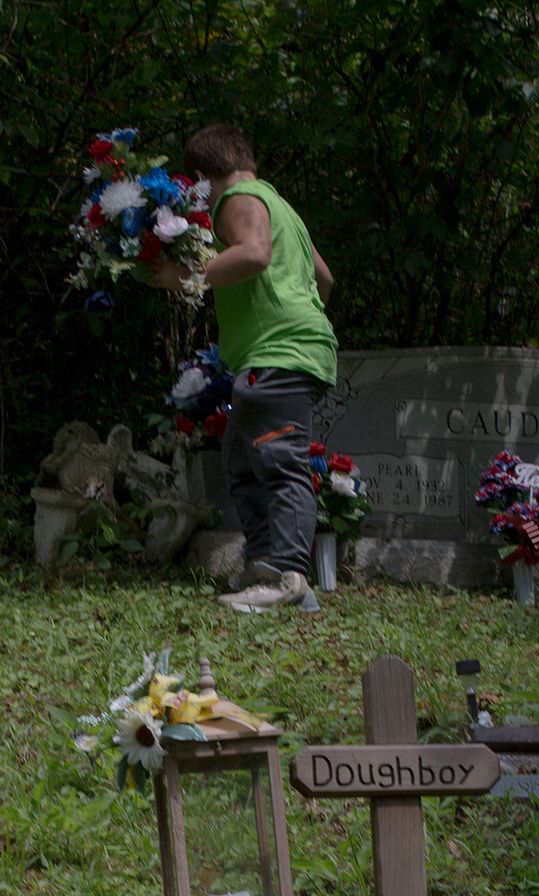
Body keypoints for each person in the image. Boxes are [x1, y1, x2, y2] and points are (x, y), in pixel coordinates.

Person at [149, 123, 339, 613]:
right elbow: (324, 279)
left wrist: (186, 276)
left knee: (279, 464)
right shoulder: (281, 207)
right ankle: (271, 569)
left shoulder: (238, 199)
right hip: (291, 351)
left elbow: (254, 255)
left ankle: (286, 576)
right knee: (241, 459)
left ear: (200, 176)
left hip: (277, 354)